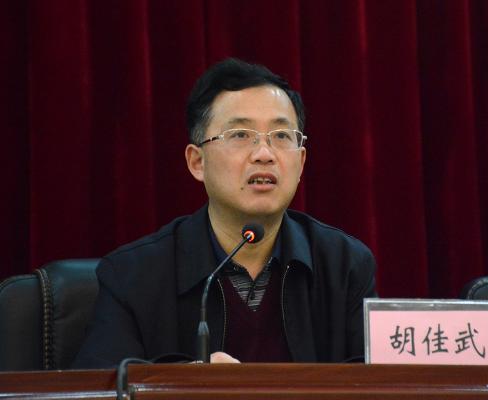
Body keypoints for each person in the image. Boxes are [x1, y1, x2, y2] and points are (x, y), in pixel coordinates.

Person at [72, 58, 377, 368]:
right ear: (197, 162)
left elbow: (379, 384)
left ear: (301, 162)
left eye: (281, 136)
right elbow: (99, 386)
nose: (264, 154)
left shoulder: (345, 266)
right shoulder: (133, 276)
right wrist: (187, 382)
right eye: (241, 135)